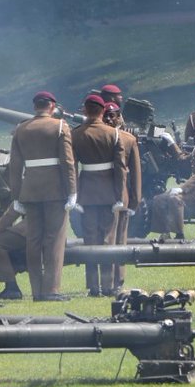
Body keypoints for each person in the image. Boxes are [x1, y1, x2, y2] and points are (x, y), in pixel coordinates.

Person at [5, 91, 77, 301]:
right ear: (52, 106)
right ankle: (51, 290)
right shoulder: (60, 126)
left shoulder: (21, 129)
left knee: (33, 241)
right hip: (55, 191)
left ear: (35, 106)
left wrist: (16, 196)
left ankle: (37, 290)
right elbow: (68, 162)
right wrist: (72, 191)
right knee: (54, 239)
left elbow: (15, 166)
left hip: (30, 191)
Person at [70, 95, 127, 297]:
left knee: (90, 239)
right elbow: (121, 168)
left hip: (86, 192)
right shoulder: (113, 134)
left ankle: (94, 286)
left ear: (85, 110)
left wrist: (74, 194)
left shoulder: (75, 134)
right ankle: (109, 284)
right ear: (103, 111)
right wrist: (120, 196)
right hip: (109, 192)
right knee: (107, 239)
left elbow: (72, 168)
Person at [103, 101, 141, 294]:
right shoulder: (99, 136)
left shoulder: (128, 138)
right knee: (103, 239)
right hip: (101, 194)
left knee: (120, 239)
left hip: (122, 195)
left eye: (113, 115)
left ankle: (118, 281)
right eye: (106, 116)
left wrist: (135, 200)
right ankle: (103, 282)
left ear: (119, 117)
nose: (109, 119)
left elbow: (135, 173)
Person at [0, 199, 27, 300]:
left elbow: (11, 215)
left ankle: (11, 287)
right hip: (47, 228)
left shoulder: (24, 188)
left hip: (30, 230)